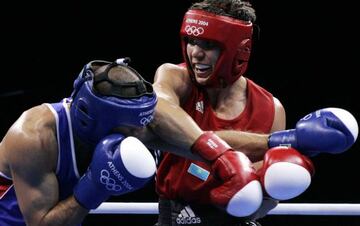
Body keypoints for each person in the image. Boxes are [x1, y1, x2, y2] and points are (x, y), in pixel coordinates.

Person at [142, 0, 359, 225]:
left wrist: (260, 192)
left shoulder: (270, 109)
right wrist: (284, 140)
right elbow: (157, 109)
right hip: (174, 216)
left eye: (207, 44)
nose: (195, 53)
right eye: (191, 41)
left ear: (238, 50)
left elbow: (268, 194)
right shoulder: (175, 77)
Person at [0, 58, 158, 226]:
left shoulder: (118, 128)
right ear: (98, 121)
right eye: (131, 128)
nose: (140, 134)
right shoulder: (33, 138)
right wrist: (94, 187)